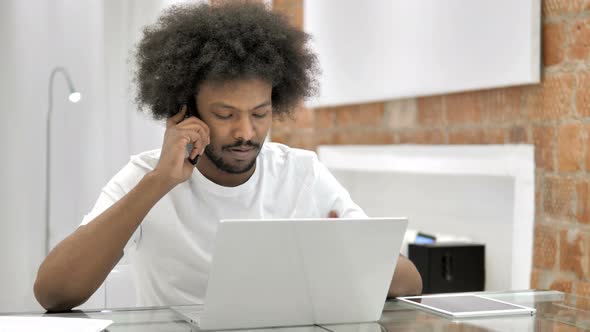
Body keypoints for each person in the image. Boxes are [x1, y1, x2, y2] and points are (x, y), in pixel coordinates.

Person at [33, 1, 422, 312]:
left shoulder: (302, 173)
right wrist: (158, 183)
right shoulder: (145, 177)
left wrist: (346, 251)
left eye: (259, 113)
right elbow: (53, 292)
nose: (246, 133)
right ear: (186, 112)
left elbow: (411, 283)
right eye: (225, 115)